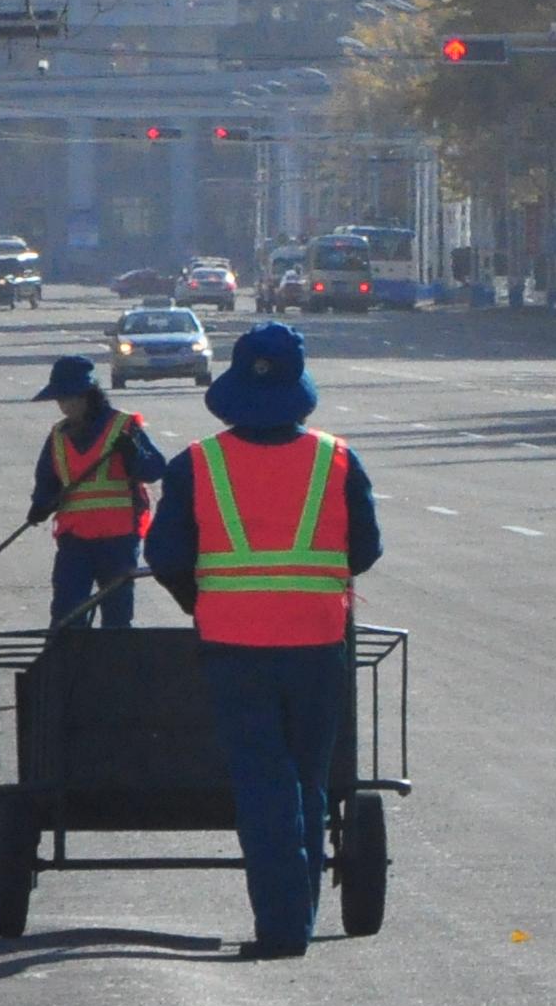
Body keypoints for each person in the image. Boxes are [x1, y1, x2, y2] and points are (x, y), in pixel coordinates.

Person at [146, 322, 384, 960]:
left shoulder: (198, 463)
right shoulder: (336, 458)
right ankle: (294, 920)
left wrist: (205, 601)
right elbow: (366, 549)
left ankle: (282, 929)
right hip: (317, 643)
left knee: (261, 782)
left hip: (233, 645)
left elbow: (165, 553)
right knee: (306, 779)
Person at [26, 355, 167, 631]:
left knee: (117, 615)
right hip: (74, 540)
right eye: (61, 399)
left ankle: (113, 669)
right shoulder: (57, 436)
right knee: (67, 613)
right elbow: (48, 479)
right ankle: (71, 669)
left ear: (89, 395)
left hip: (118, 540)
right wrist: (40, 505)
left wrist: (133, 454)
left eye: (71, 398)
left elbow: (154, 469)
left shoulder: (123, 428)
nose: (65, 406)